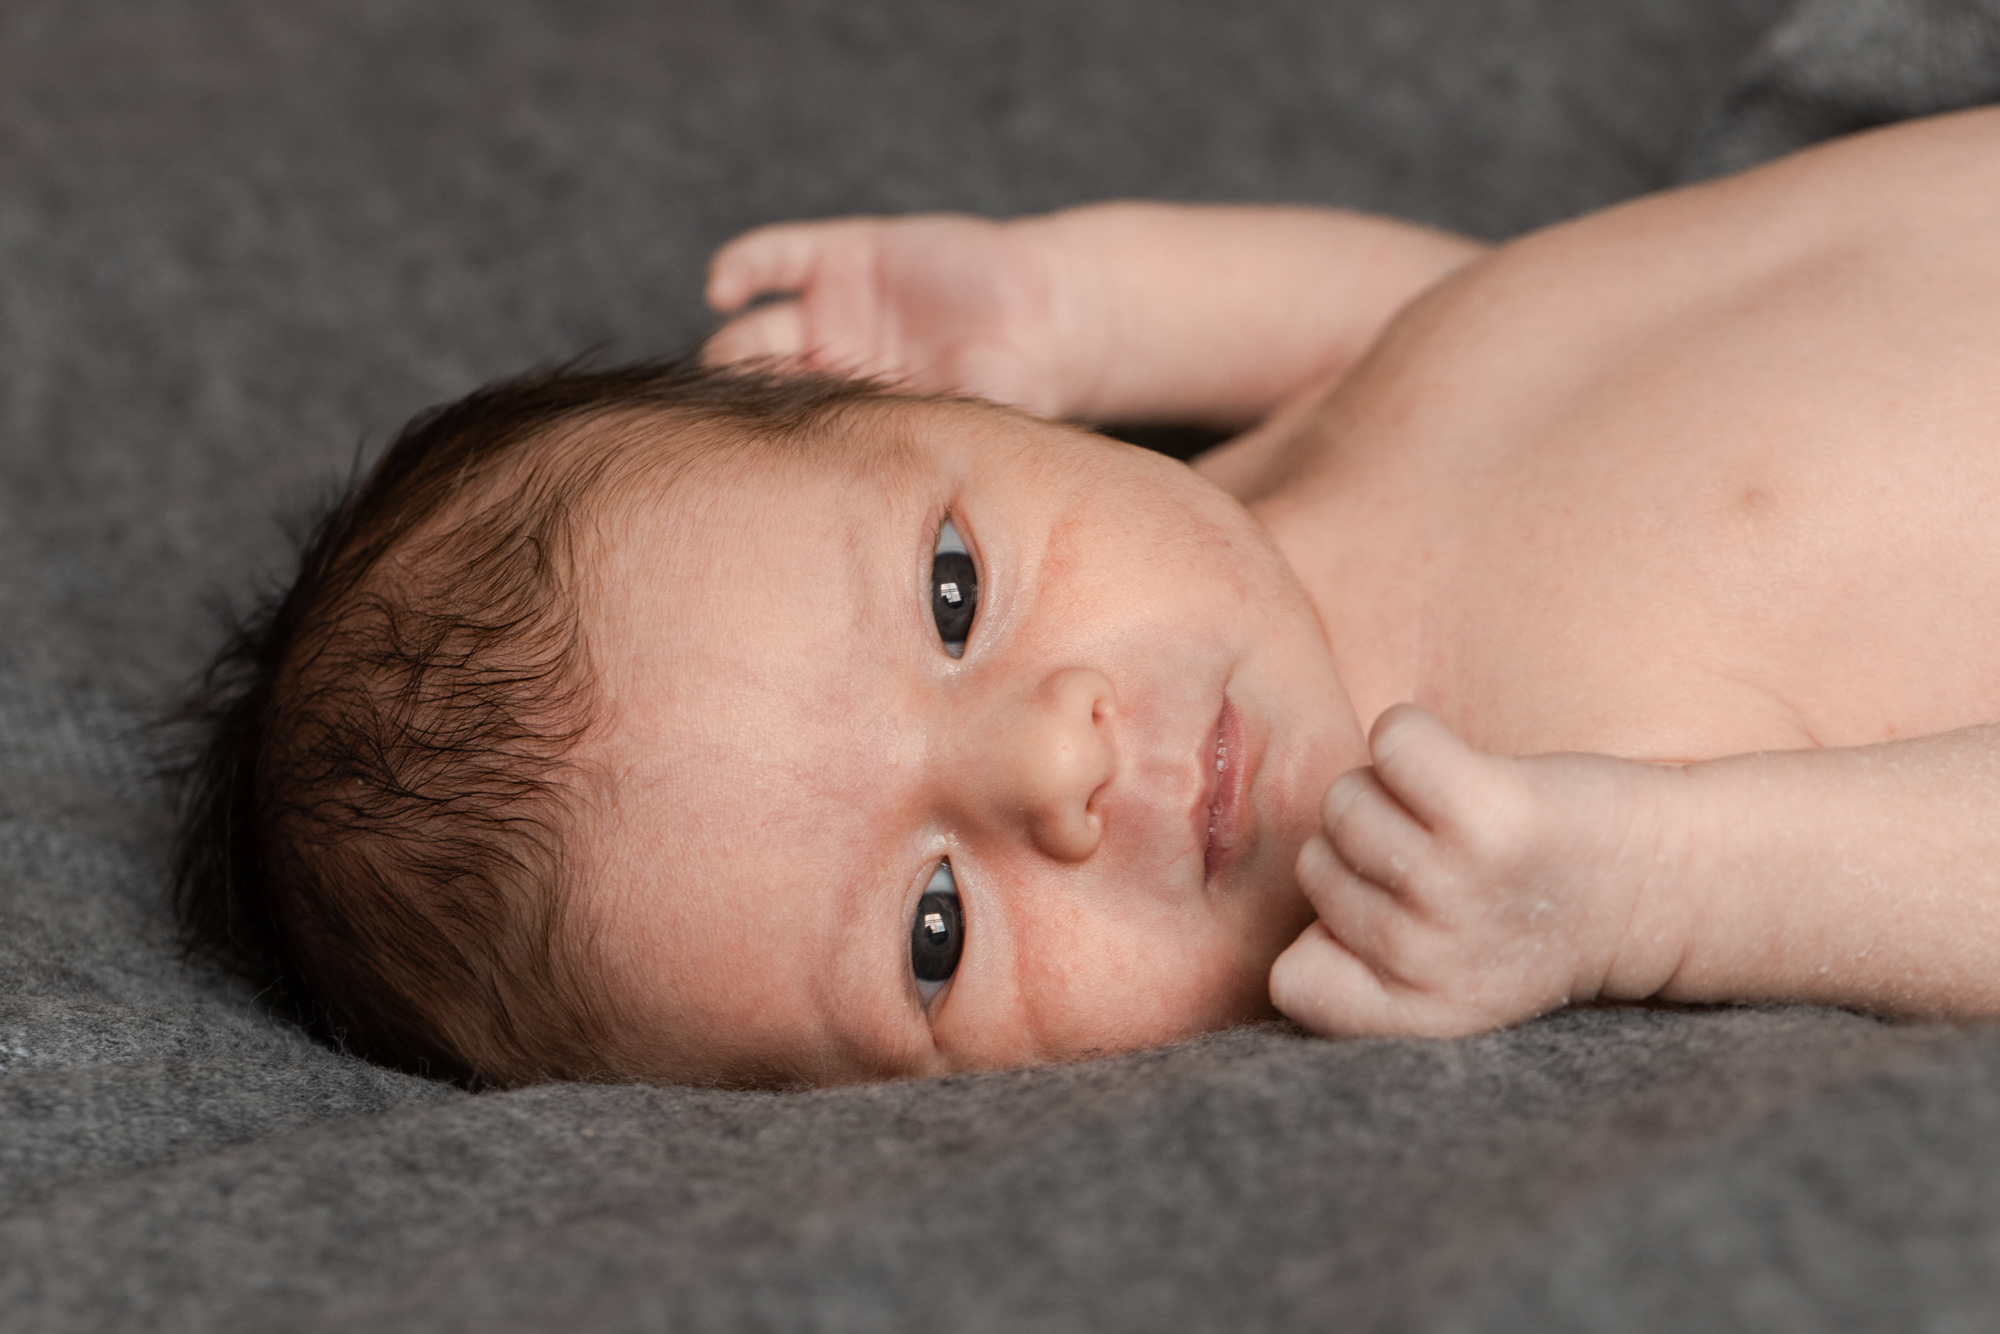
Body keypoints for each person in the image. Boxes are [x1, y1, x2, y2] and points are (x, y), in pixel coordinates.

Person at [178, 107, 2000, 1089]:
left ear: (933, 407)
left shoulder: (1295, 463)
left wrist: (1088, 306)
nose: (1055, 760)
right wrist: (1662, 890)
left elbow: (1510, 322)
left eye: (952, 590)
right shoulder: (1541, 805)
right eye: (936, 932)